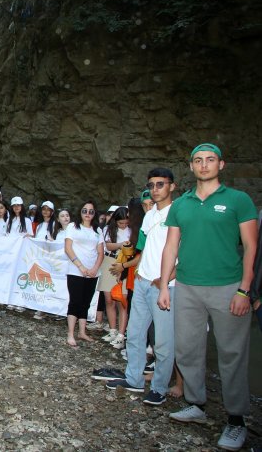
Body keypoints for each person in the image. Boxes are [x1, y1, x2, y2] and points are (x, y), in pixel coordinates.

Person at [159, 143, 257, 451]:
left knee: (232, 354)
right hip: (187, 286)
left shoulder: (238, 200)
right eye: (198, 160)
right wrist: (164, 286)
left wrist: (245, 289)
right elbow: (171, 247)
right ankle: (197, 404)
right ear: (191, 167)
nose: (204, 165)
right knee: (187, 348)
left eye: (210, 160)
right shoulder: (182, 204)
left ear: (221, 165)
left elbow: (252, 248)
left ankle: (236, 420)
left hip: (228, 286)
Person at [105, 167, 177, 406]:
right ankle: (134, 378)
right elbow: (145, 251)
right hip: (144, 281)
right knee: (134, 335)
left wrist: (165, 280)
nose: (155, 189)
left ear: (172, 186)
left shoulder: (178, 214)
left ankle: (159, 388)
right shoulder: (150, 216)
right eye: (151, 185)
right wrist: (131, 270)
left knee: (163, 342)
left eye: (160, 184)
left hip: (164, 285)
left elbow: (185, 252)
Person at [64, 200, 104, 347]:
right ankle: (70, 333)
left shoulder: (97, 231)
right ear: (80, 212)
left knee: (86, 302)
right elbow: (68, 248)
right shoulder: (73, 227)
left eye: (91, 211)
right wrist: (80, 266)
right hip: (75, 270)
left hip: (92, 271)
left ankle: (82, 332)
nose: (87, 214)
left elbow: (101, 252)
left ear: (95, 214)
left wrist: (94, 269)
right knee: (75, 301)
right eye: (85, 210)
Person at [98, 207, 131, 349]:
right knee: (109, 298)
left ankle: (121, 335)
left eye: (125, 223)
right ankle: (112, 329)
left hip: (124, 263)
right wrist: (121, 245)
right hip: (109, 262)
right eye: (120, 223)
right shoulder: (108, 229)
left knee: (122, 300)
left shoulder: (132, 230)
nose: (123, 225)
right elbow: (108, 245)